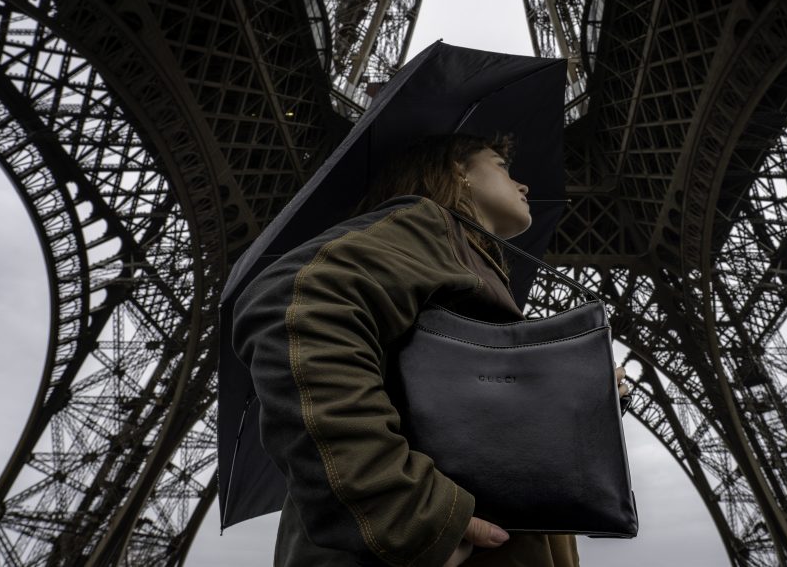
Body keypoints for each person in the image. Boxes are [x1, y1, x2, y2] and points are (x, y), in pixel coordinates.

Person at [232, 133, 626, 567]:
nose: (523, 185)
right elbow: (292, 302)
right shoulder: (424, 223)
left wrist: (591, 390)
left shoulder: (466, 255)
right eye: (500, 166)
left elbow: (486, 421)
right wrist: (400, 509)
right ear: (458, 171)